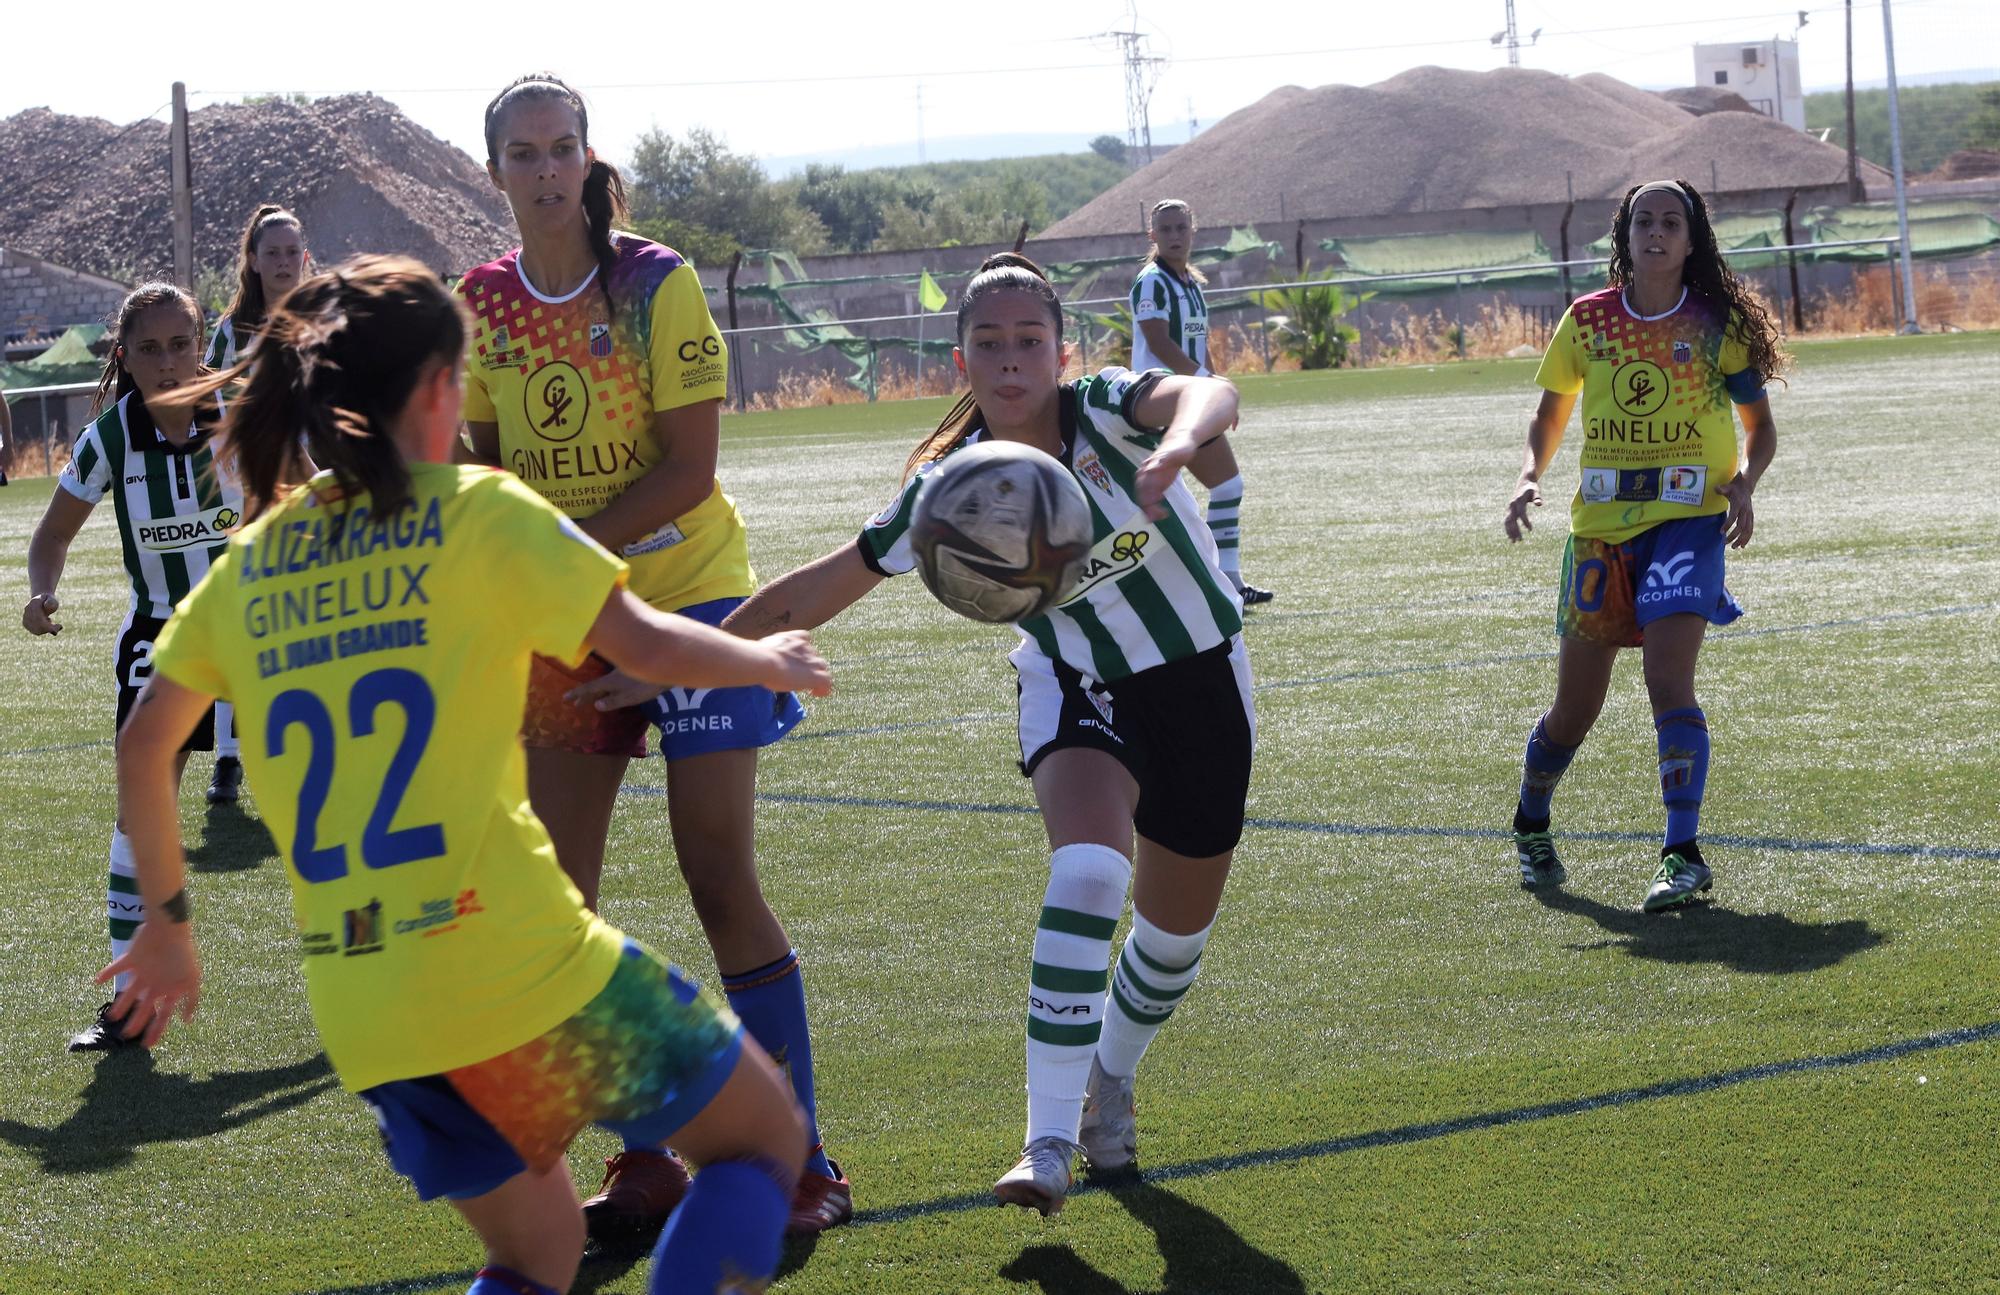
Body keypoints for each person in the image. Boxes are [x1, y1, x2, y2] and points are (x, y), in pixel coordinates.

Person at [102, 256, 831, 1295]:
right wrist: (766, 657)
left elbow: (143, 742)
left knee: (534, 1252)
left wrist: (168, 924)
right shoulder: (477, 514)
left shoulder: (255, 560)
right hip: (519, 965)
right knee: (761, 1143)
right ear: (442, 390)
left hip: (371, 1002)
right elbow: (648, 641)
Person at [703, 253, 1254, 1216]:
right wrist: (680, 654)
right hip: (1078, 689)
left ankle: (1108, 1081)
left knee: (1171, 946)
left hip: (1202, 681)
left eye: (1029, 341)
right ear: (961, 358)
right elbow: (821, 583)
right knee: (1087, 872)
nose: (1010, 362)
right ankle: (1045, 1144)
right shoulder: (950, 485)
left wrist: (1177, 446)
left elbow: (1214, 389)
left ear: (1060, 350)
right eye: (989, 344)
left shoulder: (1111, 408)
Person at [454, 73, 849, 1237]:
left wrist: (555, 548)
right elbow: (488, 474)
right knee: (559, 903)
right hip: (562, 625)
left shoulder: (653, 282)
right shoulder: (479, 300)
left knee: (716, 870)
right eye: (521, 153)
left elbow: (689, 473)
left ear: (585, 158)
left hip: (692, 602)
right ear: (494, 171)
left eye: (560, 147)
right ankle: (647, 1152)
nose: (543, 169)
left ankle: (801, 1160)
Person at [1503, 178, 1782, 912]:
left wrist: (1746, 483)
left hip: (1689, 521)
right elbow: (1551, 411)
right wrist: (1529, 476)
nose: (1656, 233)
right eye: (1643, 222)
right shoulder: (1589, 321)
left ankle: (1682, 854)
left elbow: (1762, 427)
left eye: (1671, 222)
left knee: (1668, 680)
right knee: (1574, 710)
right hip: (1599, 533)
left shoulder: (1717, 326)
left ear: (1692, 241)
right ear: (1624, 238)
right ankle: (1531, 820)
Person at [22, 282, 242, 1053]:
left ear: (202, 342)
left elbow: (312, 500)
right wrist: (41, 591)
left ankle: (392, 964)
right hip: (162, 642)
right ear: (124, 356)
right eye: (148, 347)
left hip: (256, 635)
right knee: (136, 816)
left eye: (181, 342)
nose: (168, 359)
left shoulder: (243, 420)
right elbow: (49, 537)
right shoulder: (111, 439)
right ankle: (124, 1003)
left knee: (331, 793)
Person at [196, 203, 309, 803]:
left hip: (316, 490)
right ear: (254, 261)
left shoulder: (328, 319)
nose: (285, 262)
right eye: (273, 253)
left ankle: (307, 750)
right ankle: (229, 758)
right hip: (248, 496)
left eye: (293, 251)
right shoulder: (230, 330)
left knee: (311, 622)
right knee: (242, 626)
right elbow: (214, 411)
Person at [1129, 198, 1273, 607]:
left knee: (1226, 486)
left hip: (1191, 398)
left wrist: (1217, 391)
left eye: (1181, 228)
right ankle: (1200, 588)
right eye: (1166, 229)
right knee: (1166, 506)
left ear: (1193, 231)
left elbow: (1197, 345)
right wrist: (1206, 384)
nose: (1175, 236)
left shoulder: (1191, 285)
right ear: (1152, 236)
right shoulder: (1152, 281)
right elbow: (1159, 342)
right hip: (1161, 400)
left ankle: (1229, 583)